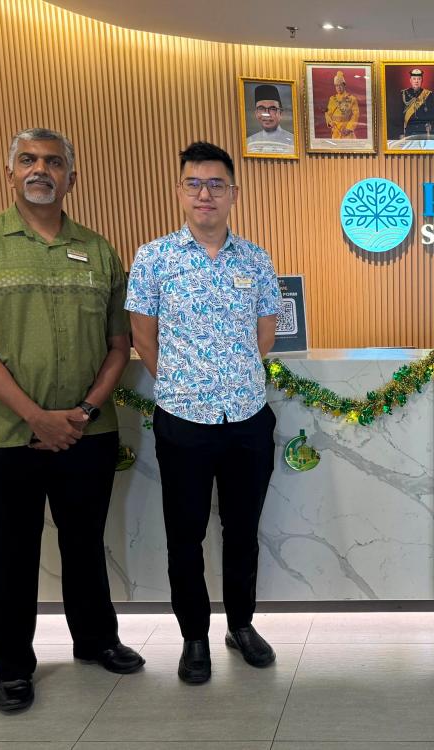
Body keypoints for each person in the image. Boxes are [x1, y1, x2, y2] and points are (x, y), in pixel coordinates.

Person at [0, 127, 143, 713]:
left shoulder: (98, 250)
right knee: (10, 551)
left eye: (53, 162)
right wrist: (36, 418)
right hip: (2, 435)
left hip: (86, 432)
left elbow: (118, 346)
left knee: (84, 544)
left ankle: (96, 640)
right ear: (10, 172)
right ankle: (13, 666)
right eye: (28, 160)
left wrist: (85, 411)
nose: (40, 170)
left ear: (72, 176)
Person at [126, 141, 280, 685]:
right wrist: (183, 381)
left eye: (216, 184)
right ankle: (194, 636)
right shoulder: (154, 258)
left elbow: (266, 331)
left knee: (242, 531)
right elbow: (142, 336)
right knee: (184, 534)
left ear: (234, 194)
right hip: (183, 423)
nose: (205, 194)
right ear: (179, 191)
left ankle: (241, 626)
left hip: (246, 421)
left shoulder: (256, 259)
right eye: (194, 183)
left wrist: (233, 375)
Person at [246, 84, 295, 150]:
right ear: (256, 113)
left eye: (272, 109)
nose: (267, 113)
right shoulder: (249, 142)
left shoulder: (294, 142)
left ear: (280, 113)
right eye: (261, 108)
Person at [400, 68, 434, 138]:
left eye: (419, 79)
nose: (416, 81)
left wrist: (430, 126)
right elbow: (399, 114)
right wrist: (400, 132)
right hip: (408, 129)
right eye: (414, 79)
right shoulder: (403, 93)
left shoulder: (428, 94)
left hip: (423, 130)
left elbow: (432, 113)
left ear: (422, 80)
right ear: (410, 80)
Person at [324, 70, 360, 139]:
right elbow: (327, 113)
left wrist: (349, 128)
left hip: (346, 130)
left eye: (340, 85)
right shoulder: (332, 99)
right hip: (335, 130)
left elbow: (356, 115)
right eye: (337, 86)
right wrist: (330, 122)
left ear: (344, 85)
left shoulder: (352, 99)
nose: (338, 88)